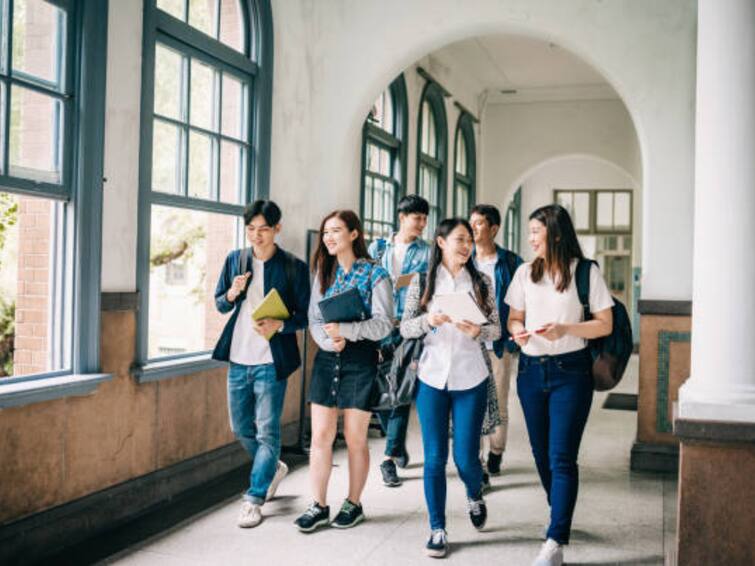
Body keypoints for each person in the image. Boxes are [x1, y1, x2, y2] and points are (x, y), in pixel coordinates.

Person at [505, 204, 613, 566]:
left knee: (561, 456)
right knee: (540, 453)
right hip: (531, 372)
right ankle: (560, 515)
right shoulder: (524, 273)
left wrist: (566, 328)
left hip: (571, 371)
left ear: (554, 232)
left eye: (536, 231)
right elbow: (514, 317)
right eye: (530, 231)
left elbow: (604, 324)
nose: (531, 238)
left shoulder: (585, 272)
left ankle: (555, 540)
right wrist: (517, 331)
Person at [400, 218, 501, 558]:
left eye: (469, 240)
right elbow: (405, 328)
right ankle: (437, 528)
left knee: (466, 459)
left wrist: (478, 332)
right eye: (459, 239)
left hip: (470, 377)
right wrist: (427, 320)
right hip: (432, 377)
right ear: (441, 242)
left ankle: (474, 494)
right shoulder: (423, 281)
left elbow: (496, 331)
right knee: (434, 458)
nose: (466, 245)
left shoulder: (482, 281)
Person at [212, 200, 310, 528]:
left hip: (271, 360)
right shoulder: (234, 260)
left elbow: (306, 316)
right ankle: (273, 467)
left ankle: (254, 498)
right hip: (238, 357)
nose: (256, 235)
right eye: (251, 229)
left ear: (277, 229)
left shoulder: (294, 267)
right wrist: (231, 293)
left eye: (263, 229)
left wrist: (279, 325)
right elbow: (220, 305)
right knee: (240, 427)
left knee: (268, 430)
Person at [294, 210, 393, 532]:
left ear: (354, 234)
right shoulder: (324, 270)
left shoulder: (376, 274)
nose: (329, 238)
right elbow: (314, 317)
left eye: (336, 231)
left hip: (361, 359)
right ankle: (318, 505)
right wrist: (326, 340)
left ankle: (354, 502)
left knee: (355, 439)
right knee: (321, 437)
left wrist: (347, 332)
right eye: (325, 233)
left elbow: (383, 324)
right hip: (328, 358)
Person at [368, 194, 431, 488]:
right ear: (402, 217)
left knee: (402, 392)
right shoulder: (377, 248)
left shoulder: (427, 253)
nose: (421, 224)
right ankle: (396, 443)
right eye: (417, 218)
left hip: (407, 329)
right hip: (377, 327)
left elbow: (427, 288)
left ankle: (389, 458)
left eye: (424, 219)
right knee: (380, 393)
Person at [469, 204, 523, 488]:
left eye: (479, 223)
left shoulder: (511, 262)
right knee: (473, 405)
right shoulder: (465, 260)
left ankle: (496, 452)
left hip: (499, 344)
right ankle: (476, 464)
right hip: (469, 344)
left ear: (494, 228)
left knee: (498, 404)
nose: (474, 228)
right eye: (472, 223)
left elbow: (520, 303)